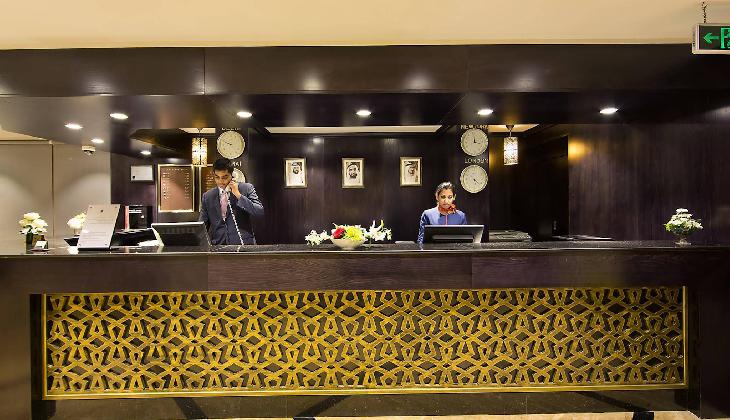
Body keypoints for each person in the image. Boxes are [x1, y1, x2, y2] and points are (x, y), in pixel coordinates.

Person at [200, 158, 264, 245]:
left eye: (224, 177)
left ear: (232, 175)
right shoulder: (208, 196)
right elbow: (202, 226)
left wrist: (238, 195)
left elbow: (259, 211)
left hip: (243, 244)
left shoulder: (246, 188)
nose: (220, 181)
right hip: (218, 246)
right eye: (217, 177)